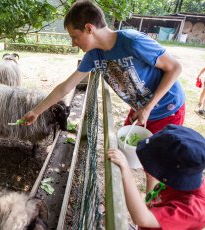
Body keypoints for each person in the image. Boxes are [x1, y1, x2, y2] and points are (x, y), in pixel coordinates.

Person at [22, 0, 185, 191]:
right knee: (124, 154)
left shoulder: (131, 41)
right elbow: (66, 86)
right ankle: (138, 206)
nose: (73, 43)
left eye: (75, 36)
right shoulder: (94, 55)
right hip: (141, 111)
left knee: (155, 167)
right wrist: (36, 111)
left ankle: (151, 214)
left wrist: (148, 107)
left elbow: (175, 68)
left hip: (167, 108)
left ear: (89, 28)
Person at [107, 124, 205, 229]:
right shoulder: (179, 178)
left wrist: (125, 171)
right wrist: (151, 177)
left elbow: (142, 219)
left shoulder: (192, 210)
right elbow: (152, 201)